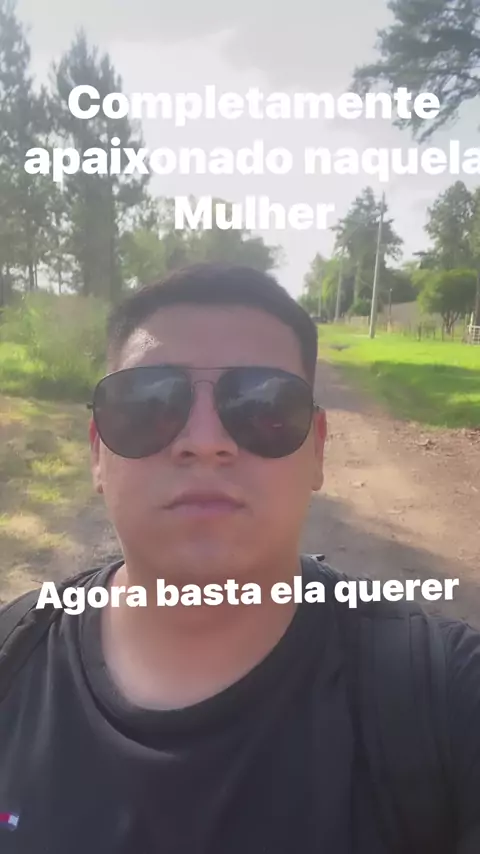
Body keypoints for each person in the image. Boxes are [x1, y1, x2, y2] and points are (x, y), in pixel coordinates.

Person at [0, 262, 479, 854]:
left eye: (263, 406)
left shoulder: (447, 697)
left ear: (317, 451)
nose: (205, 442)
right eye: (150, 404)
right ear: (98, 453)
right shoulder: (12, 658)